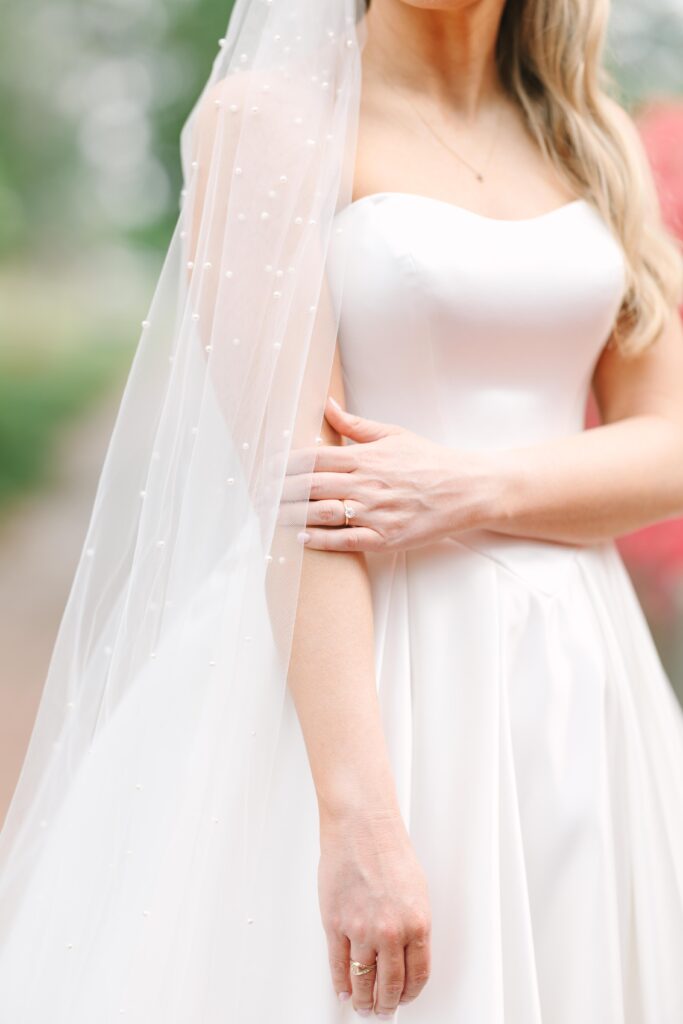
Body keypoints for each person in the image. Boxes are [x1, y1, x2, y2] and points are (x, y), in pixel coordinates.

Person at [1, 1, 682, 1021]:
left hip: (577, 678)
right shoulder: (267, 122)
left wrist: (468, 486)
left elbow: (665, 442)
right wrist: (356, 815)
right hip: (367, 677)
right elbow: (299, 496)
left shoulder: (590, 137)